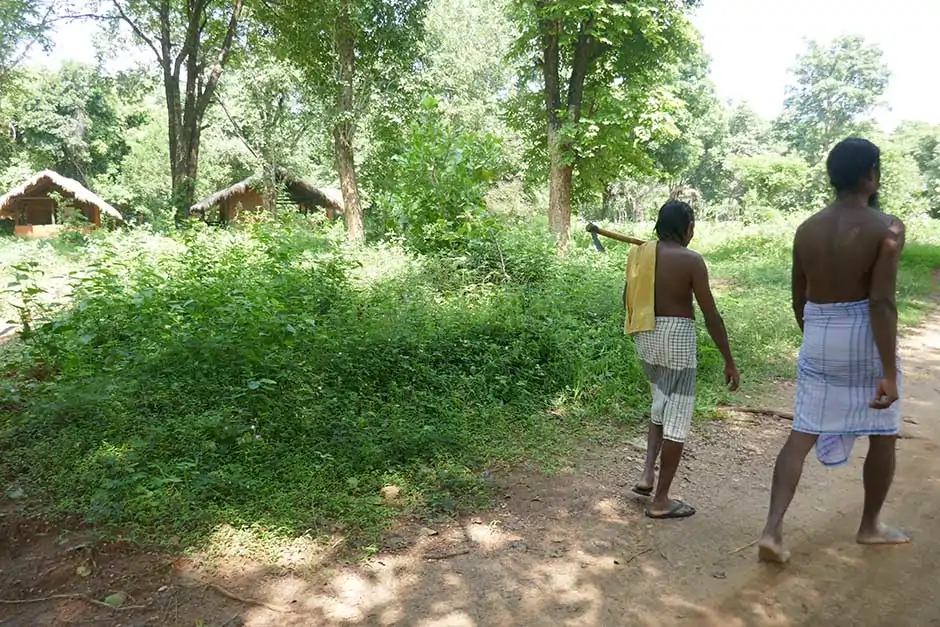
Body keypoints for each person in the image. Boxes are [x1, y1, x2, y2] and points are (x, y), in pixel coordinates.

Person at [758, 137, 909, 564]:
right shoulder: (887, 227)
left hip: (818, 330)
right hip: (864, 333)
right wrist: (889, 372)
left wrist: (815, 337)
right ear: (870, 175)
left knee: (802, 431)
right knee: (883, 433)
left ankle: (771, 530)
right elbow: (880, 301)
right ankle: (870, 526)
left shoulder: (807, 228)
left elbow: (797, 297)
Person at [617, 200, 740, 520]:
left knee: (660, 402)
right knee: (677, 417)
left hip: (644, 335)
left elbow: (625, 298)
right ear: (686, 227)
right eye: (693, 225)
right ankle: (661, 501)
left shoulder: (639, 254)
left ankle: (647, 476)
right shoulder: (691, 260)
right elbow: (710, 314)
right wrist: (729, 359)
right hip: (676, 339)